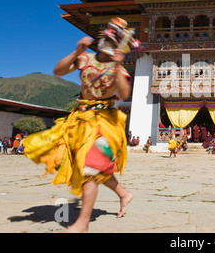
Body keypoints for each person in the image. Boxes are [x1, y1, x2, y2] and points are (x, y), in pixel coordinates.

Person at [23, 17, 135, 232]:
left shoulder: (119, 68)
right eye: (109, 36)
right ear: (102, 37)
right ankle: (123, 193)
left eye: (116, 39)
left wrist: (119, 64)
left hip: (104, 123)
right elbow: (58, 71)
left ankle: (82, 223)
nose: (110, 41)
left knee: (90, 168)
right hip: (79, 119)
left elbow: (123, 93)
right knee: (87, 164)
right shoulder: (84, 58)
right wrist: (76, 51)